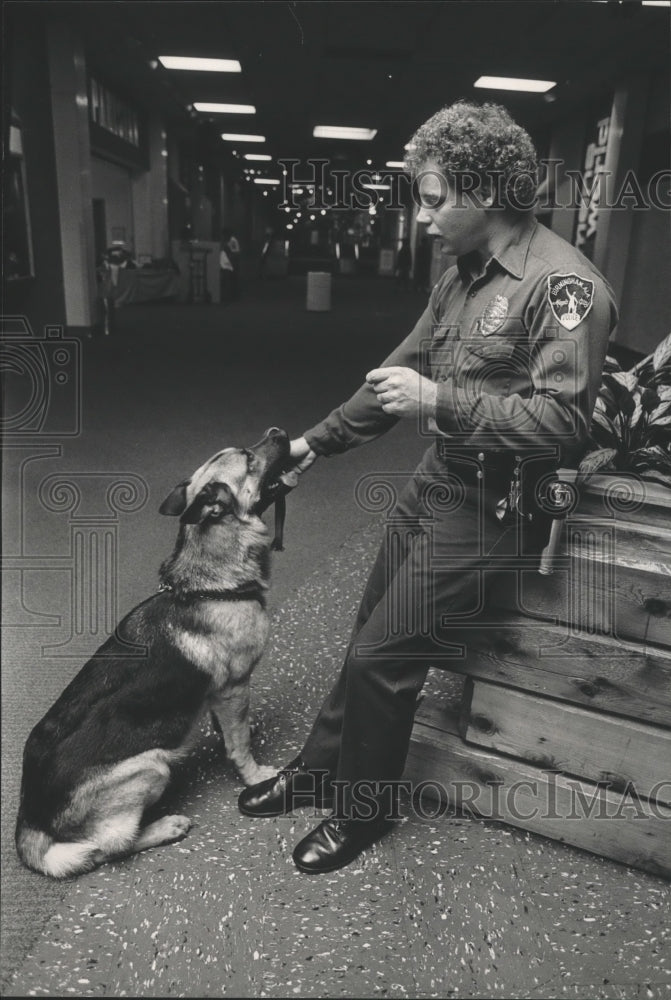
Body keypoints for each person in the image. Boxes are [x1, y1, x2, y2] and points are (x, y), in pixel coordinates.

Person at [238, 100, 618, 874]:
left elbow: (564, 425)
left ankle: (362, 811)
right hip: (438, 478)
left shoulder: (565, 288)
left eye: (434, 198)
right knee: (368, 624)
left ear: (486, 193)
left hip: (498, 502)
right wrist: (315, 444)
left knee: (384, 652)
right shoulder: (457, 278)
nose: (421, 217)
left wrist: (443, 402)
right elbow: (394, 377)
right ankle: (321, 770)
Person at [221, 227, 241, 300]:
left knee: (232, 279)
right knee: (228, 279)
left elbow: (236, 253)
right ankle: (229, 295)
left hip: (232, 263)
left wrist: (229, 258)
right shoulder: (226, 241)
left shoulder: (233, 241)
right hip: (227, 262)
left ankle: (233, 296)